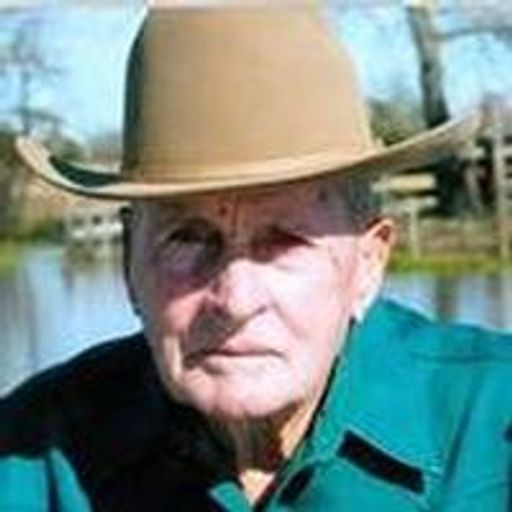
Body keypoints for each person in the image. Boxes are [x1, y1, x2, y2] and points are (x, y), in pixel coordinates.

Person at [2, 2, 511, 511]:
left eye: (285, 240)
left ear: (367, 264)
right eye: (187, 238)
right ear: (128, 265)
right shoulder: (29, 457)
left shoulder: (491, 430)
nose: (236, 300)